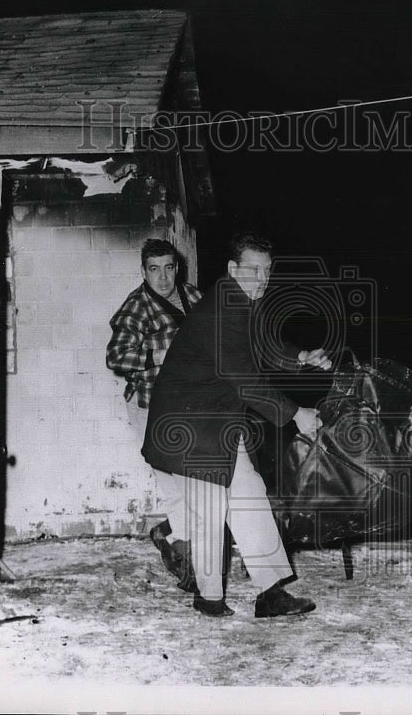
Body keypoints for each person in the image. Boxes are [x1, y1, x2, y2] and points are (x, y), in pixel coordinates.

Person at [141, 231, 332, 618]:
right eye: (254, 270)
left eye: (267, 271)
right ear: (233, 269)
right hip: (191, 426)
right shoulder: (223, 308)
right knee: (211, 509)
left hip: (218, 422)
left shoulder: (242, 300)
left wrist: (300, 356)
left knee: (250, 496)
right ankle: (209, 597)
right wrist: (298, 415)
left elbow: (263, 344)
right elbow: (245, 380)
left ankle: (270, 592)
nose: (262, 278)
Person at [106, 238, 203, 591]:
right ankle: (189, 563)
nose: (163, 277)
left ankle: (170, 535)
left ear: (177, 268)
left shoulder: (195, 298)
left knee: (196, 485)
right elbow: (115, 357)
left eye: (168, 268)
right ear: (144, 271)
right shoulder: (137, 306)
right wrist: (160, 356)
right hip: (150, 407)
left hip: (189, 405)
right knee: (175, 487)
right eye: (154, 269)